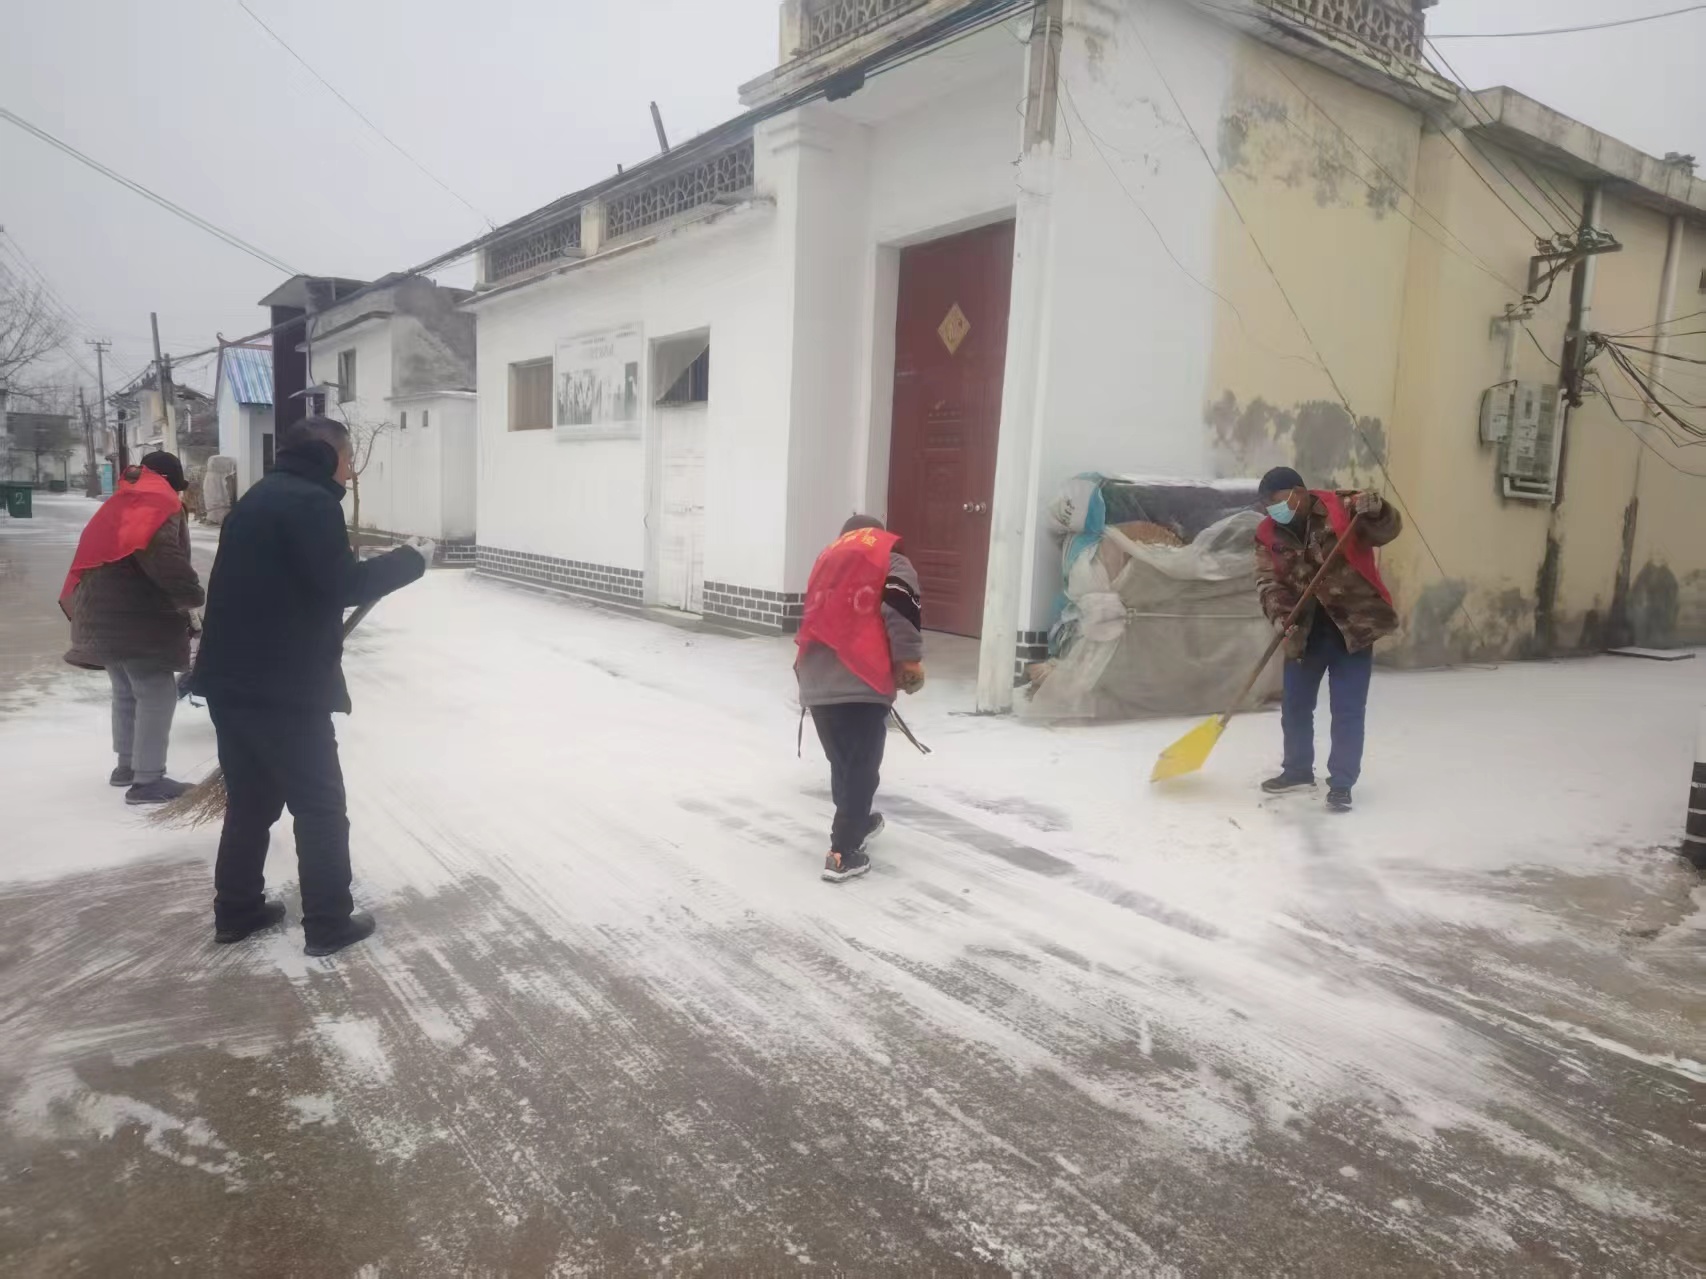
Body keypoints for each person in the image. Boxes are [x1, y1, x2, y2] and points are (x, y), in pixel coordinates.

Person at [191, 416, 431, 955]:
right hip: (284, 689)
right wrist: (410, 561)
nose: (351, 470)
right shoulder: (312, 503)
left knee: (250, 803)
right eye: (348, 458)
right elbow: (342, 585)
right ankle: (328, 923)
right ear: (329, 455)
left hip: (231, 681)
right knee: (320, 806)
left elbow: (293, 582)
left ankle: (237, 910)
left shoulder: (257, 498)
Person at [1253, 466, 1403, 813]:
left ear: (1299, 493)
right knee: (1295, 706)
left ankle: (1342, 783)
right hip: (1304, 632)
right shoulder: (1267, 534)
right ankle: (1297, 771)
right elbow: (1267, 581)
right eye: (1268, 506)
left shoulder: (1344, 507)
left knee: (1347, 710)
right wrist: (1281, 617)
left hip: (1353, 628)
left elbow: (1386, 529)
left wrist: (1377, 509)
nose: (1273, 511)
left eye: (1277, 502)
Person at [62, 451, 205, 805]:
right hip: (135, 616)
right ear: (170, 481)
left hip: (99, 612)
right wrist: (191, 594)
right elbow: (163, 557)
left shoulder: (123, 500)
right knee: (156, 692)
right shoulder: (157, 502)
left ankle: (126, 766)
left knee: (126, 690)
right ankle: (148, 780)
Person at [796, 515, 924, 883]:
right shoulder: (891, 560)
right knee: (861, 767)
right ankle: (843, 852)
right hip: (861, 679)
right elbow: (901, 610)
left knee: (844, 763)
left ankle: (857, 821)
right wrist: (909, 661)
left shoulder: (826, 564)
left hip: (816, 680)